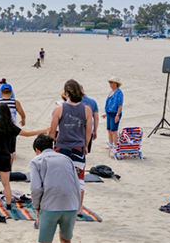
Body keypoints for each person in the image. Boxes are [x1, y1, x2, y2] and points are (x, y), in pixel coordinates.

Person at [29, 134, 81, 243]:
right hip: (70, 204)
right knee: (66, 239)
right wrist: (77, 206)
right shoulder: (67, 159)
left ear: (37, 149)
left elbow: (35, 188)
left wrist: (37, 208)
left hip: (50, 206)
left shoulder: (36, 161)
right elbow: (77, 184)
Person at [0, 103, 46, 209]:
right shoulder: (11, 128)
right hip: (5, 158)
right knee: (6, 184)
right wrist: (45, 130)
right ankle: (9, 205)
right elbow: (27, 133)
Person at [49, 79, 92, 215]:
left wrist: (50, 146)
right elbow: (88, 131)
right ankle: (79, 208)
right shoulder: (86, 109)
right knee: (79, 179)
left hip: (62, 147)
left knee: (58, 177)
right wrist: (85, 145)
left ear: (66, 93)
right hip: (78, 147)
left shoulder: (58, 109)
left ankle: (58, 204)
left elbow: (52, 130)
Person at [102, 77, 124, 147]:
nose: (110, 84)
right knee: (109, 129)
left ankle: (115, 145)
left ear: (115, 83)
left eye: (111, 82)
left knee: (114, 131)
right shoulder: (111, 92)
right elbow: (109, 103)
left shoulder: (119, 92)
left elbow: (120, 104)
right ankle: (110, 145)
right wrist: (106, 113)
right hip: (109, 113)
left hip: (115, 113)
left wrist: (117, 114)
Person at [80, 88, 100, 154]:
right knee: (85, 151)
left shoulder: (74, 101)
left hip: (77, 130)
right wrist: (95, 131)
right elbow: (96, 118)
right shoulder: (92, 101)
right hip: (88, 130)